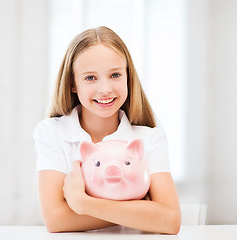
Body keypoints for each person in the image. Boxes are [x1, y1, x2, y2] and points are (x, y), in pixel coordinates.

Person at [33, 26, 181, 234]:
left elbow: (170, 220)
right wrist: (140, 209)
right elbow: (56, 220)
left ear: (128, 77)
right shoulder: (52, 133)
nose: (105, 89)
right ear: (72, 84)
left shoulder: (149, 138)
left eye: (115, 75)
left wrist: (82, 203)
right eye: (90, 78)